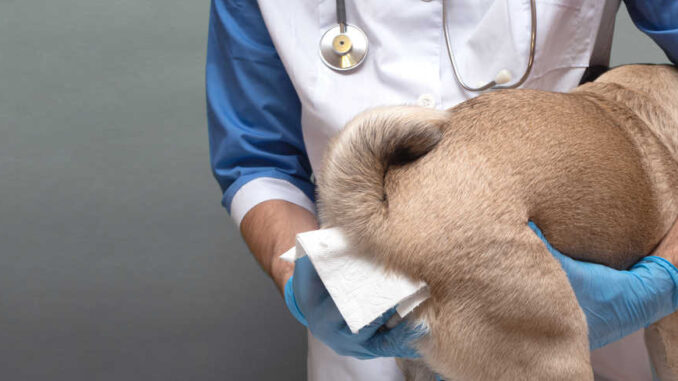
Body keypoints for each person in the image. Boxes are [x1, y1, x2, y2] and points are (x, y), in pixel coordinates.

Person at [206, 1, 678, 379]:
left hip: (580, 320)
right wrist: (298, 281)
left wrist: (665, 275)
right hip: (373, 310)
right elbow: (258, 160)